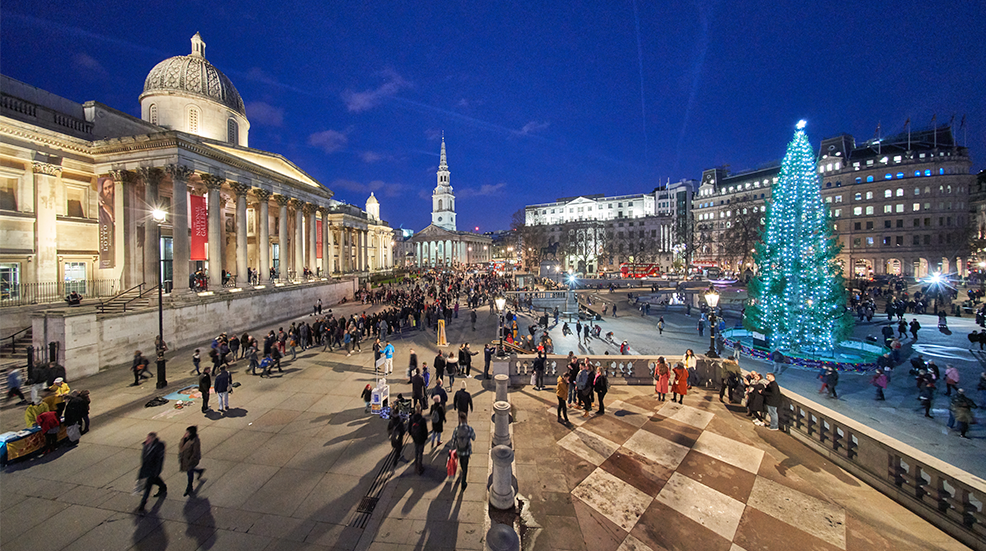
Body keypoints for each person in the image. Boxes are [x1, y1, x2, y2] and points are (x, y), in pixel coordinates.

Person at [136, 432, 167, 514]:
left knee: (147, 488)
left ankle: (142, 505)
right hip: (146, 469)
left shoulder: (158, 447)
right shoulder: (146, 445)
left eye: (149, 439)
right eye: (147, 438)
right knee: (155, 480)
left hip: (152, 470)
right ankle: (163, 487)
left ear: (153, 439)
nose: (147, 440)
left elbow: (159, 461)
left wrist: (157, 471)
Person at [448, 412, 476, 491]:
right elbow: (474, 437)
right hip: (467, 451)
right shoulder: (469, 429)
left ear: (460, 420)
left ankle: (462, 470)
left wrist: (452, 449)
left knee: (461, 462)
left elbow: (453, 441)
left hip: (459, 450)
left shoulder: (456, 429)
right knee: (466, 466)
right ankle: (463, 482)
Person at [178, 426, 205, 496]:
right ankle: (199, 471)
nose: (186, 433)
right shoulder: (185, 439)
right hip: (185, 459)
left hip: (190, 460)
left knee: (189, 473)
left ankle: (189, 487)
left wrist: (191, 461)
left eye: (187, 432)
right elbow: (181, 448)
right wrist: (183, 439)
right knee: (190, 471)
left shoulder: (195, 441)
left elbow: (195, 452)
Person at [409, 404, 429, 475]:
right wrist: (425, 437)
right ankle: (419, 468)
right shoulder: (422, 420)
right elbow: (425, 430)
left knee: (416, 451)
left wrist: (412, 435)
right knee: (420, 453)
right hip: (421, 439)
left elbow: (409, 429)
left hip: (415, 438)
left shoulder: (412, 418)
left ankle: (416, 465)